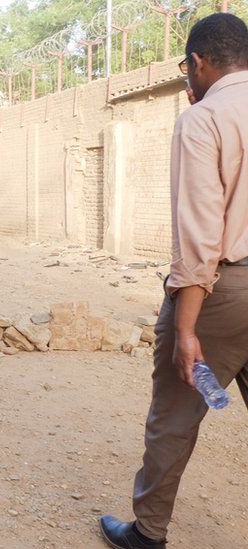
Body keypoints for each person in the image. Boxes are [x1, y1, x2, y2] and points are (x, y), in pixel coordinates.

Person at [99, 14, 248, 549]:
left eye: (189, 69)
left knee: (175, 413)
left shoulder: (204, 120)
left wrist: (187, 330)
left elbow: (201, 236)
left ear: (199, 63)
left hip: (223, 293)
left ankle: (148, 532)